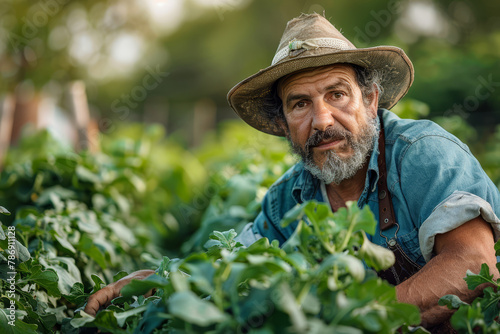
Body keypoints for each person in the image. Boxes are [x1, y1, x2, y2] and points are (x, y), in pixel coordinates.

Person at [85, 13, 500, 330]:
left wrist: (356, 321)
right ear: (283, 123)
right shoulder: (288, 199)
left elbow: (472, 266)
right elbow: (229, 266)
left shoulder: (424, 155)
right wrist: (158, 278)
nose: (321, 121)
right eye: (300, 104)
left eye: (337, 94)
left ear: (371, 101)